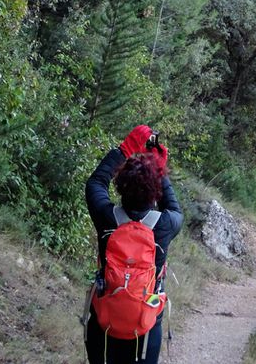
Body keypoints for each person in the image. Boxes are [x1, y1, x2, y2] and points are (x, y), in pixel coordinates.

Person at [85, 125, 183, 364]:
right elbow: (174, 207)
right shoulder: (166, 224)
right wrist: (159, 168)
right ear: (155, 191)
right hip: (146, 328)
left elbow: (95, 184)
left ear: (120, 186)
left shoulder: (107, 218)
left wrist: (125, 149)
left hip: (103, 323)